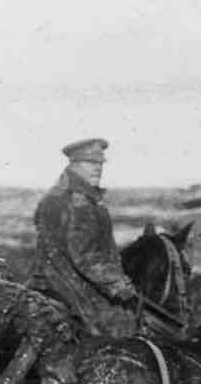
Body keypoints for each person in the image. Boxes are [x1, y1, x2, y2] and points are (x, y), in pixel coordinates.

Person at [31, 137, 140, 335]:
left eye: (100, 163)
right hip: (73, 290)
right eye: (90, 163)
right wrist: (119, 285)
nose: (97, 168)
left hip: (49, 285)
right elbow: (85, 257)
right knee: (127, 331)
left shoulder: (56, 194)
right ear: (74, 164)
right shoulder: (80, 202)